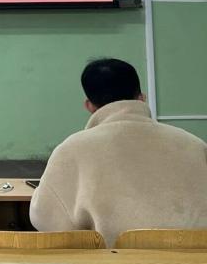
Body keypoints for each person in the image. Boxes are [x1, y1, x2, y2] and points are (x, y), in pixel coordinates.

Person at [30, 58, 207, 246]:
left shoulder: (70, 150)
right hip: (196, 260)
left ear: (89, 106)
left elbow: (44, 219)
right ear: (141, 98)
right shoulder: (193, 144)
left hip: (110, 263)